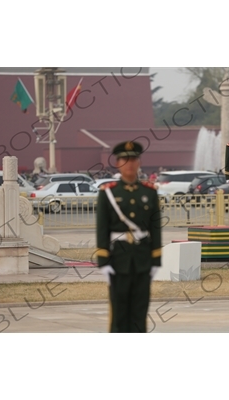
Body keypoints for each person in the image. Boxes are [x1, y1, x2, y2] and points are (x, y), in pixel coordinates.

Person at [96, 141, 162, 333]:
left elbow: (155, 228)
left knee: (140, 314)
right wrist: (103, 260)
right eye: (125, 160)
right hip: (118, 261)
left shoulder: (149, 192)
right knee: (119, 314)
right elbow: (102, 228)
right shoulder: (108, 192)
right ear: (118, 163)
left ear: (139, 162)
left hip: (142, 260)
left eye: (133, 159)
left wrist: (156, 260)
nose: (130, 164)